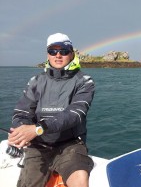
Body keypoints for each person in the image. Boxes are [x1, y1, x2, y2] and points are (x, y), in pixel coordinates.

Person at [8, 33, 95, 187]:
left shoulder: (84, 81)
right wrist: (21, 131)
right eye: (53, 51)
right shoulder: (36, 81)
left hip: (71, 145)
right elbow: (22, 112)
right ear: (47, 55)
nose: (58, 55)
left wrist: (37, 129)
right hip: (38, 146)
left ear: (72, 53)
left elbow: (75, 114)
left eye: (64, 50)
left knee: (80, 179)